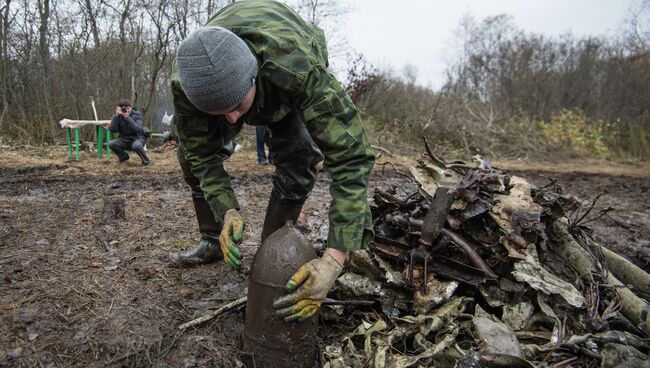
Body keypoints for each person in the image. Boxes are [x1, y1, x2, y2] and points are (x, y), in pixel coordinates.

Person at [169, 0, 375, 321]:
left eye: (237, 106)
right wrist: (228, 210)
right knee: (188, 157)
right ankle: (213, 238)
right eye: (220, 113)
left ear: (253, 78)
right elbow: (202, 155)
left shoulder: (294, 67)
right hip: (237, 81)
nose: (234, 119)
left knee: (300, 155)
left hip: (280, 72)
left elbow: (350, 155)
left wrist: (336, 256)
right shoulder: (187, 83)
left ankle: (274, 249)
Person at [108, 99, 151, 165]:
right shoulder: (117, 116)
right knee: (111, 144)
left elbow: (137, 129)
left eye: (128, 108)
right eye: (124, 109)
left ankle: (146, 161)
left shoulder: (137, 115)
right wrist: (116, 117)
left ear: (131, 107)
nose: (127, 110)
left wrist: (127, 117)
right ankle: (124, 157)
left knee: (136, 146)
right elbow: (112, 130)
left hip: (137, 139)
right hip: (124, 139)